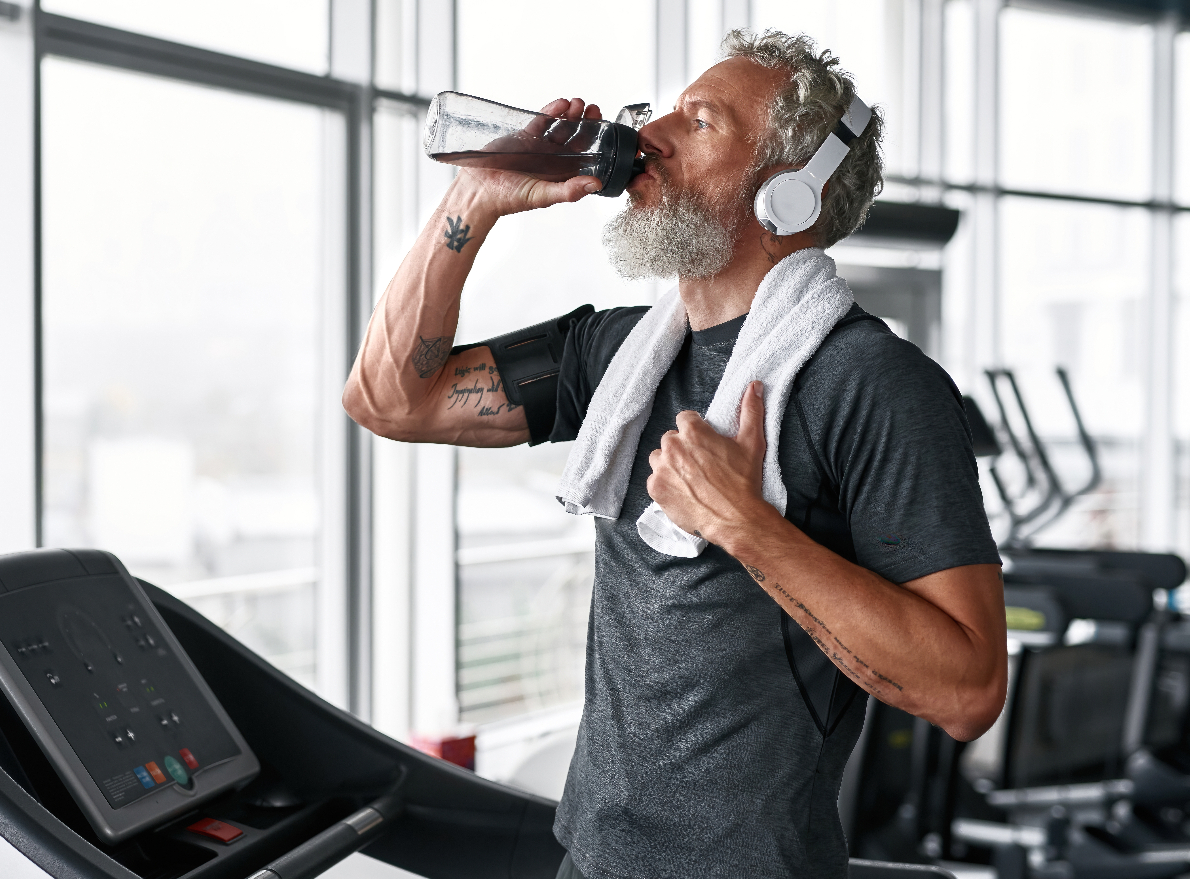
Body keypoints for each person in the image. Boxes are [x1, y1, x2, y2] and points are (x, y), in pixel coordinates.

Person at [344, 28, 1007, 879]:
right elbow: (388, 398)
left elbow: (966, 690)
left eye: (699, 121)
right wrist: (473, 202)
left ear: (790, 196)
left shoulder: (875, 385)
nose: (649, 134)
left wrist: (749, 528)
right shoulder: (619, 356)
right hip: (590, 859)